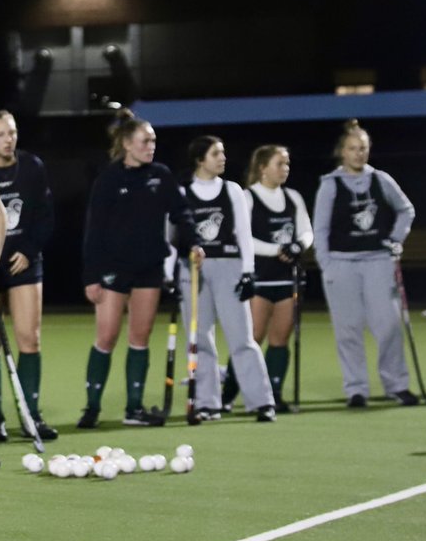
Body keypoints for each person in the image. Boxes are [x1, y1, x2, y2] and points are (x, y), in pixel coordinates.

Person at [78, 108, 201, 428]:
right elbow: (94, 231)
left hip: (148, 268)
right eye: (145, 141)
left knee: (140, 336)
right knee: (106, 336)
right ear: (127, 145)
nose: (151, 146)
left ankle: (134, 409)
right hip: (113, 270)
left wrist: (196, 242)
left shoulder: (160, 175)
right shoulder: (109, 179)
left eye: (154, 141)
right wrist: (91, 276)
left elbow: (181, 213)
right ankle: (92, 407)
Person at [0, 100, 58, 442]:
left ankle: (31, 415)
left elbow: (45, 216)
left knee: (28, 339)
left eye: (13, 133)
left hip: (24, 262)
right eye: (1, 135)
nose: (9, 140)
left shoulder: (32, 167)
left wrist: (28, 249)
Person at [313, 119, 418, 407]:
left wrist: (395, 240)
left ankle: (396, 385)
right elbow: (319, 229)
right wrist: (327, 264)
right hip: (342, 264)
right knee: (348, 330)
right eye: (353, 148)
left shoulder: (380, 179)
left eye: (363, 148)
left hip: (378, 262)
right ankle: (356, 389)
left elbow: (406, 210)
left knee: (388, 326)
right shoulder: (330, 184)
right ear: (342, 152)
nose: (359, 153)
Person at [172, 136, 276, 422]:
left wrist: (248, 272)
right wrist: (170, 273)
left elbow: (243, 234)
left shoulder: (232, 191)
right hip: (193, 270)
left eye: (223, 153)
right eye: (215, 153)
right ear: (199, 159)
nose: (222, 158)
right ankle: (207, 403)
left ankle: (261, 401)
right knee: (200, 339)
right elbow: (170, 236)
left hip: (229, 267)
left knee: (242, 338)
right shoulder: (181, 191)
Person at [220, 144, 314, 412]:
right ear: (263, 168)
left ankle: (273, 394)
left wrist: (298, 246)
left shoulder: (293, 197)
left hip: (287, 278)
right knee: (251, 338)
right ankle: (227, 396)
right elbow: (240, 236)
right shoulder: (248, 198)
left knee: (279, 339)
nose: (285, 169)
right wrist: (277, 250)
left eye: (287, 164)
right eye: (279, 164)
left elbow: (306, 230)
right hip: (259, 278)